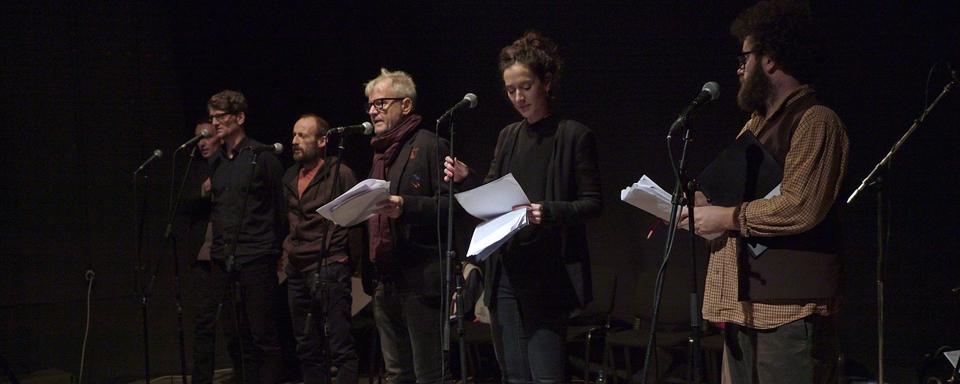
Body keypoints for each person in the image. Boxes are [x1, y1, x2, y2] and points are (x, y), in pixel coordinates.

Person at [677, 1, 849, 382]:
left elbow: (800, 207)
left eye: (745, 58)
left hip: (790, 311)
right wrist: (700, 208)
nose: (740, 70)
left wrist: (724, 216)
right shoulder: (755, 125)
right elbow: (728, 193)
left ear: (769, 59)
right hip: (745, 307)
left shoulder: (815, 121)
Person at [444, 31, 602, 384]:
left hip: (548, 274)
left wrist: (549, 211)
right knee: (514, 373)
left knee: (546, 374)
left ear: (546, 82)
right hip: (507, 272)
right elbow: (493, 196)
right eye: (511, 90)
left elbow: (593, 204)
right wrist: (468, 180)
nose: (518, 97)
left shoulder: (574, 135)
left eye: (525, 87)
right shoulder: (508, 135)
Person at [364, 68, 450, 384]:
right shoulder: (378, 154)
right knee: (397, 373)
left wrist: (406, 206)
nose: (373, 111)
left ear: (406, 105)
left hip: (421, 278)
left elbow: (451, 207)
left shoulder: (431, 145)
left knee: (428, 373)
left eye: (381, 103)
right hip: (385, 278)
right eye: (371, 105)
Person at [207, 90, 287, 384]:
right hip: (224, 259)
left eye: (221, 116)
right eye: (212, 117)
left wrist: (274, 250)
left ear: (239, 118)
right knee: (234, 335)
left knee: (263, 334)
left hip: (257, 256)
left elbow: (279, 209)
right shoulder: (217, 162)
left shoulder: (261, 158)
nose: (214, 123)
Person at [282, 113, 360, 384]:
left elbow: (357, 221)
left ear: (323, 141)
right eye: (294, 135)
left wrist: (350, 262)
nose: (294, 141)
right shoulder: (290, 177)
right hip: (297, 270)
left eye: (302, 135)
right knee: (306, 346)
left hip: (330, 265)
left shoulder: (340, 173)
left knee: (340, 345)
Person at [182, 120, 244, 384]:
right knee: (204, 323)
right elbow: (183, 203)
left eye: (206, 137)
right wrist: (203, 191)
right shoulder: (194, 170)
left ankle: (243, 374)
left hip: (231, 254)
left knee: (235, 322)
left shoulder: (232, 165)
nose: (202, 143)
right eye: (198, 139)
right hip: (205, 258)